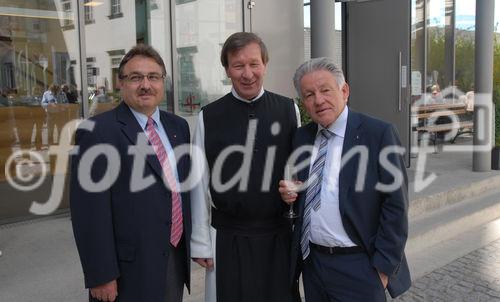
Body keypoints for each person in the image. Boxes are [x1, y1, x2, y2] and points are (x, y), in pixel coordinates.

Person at [279, 57, 411, 301]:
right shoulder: (301, 138)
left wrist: (382, 269)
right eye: (309, 95)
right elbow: (304, 194)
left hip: (360, 266)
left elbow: (396, 206)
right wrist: (291, 194)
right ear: (303, 102)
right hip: (313, 264)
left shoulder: (378, 134)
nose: (318, 100)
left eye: (325, 90)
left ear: (344, 90)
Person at [70, 44, 191, 302]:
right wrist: (101, 274)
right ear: (120, 83)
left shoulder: (178, 127)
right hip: (125, 270)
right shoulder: (96, 132)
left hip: (172, 257)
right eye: (136, 77)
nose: (145, 85)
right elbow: (89, 213)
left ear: (163, 82)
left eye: (153, 77)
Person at [190, 32, 301, 302]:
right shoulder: (208, 116)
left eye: (254, 64)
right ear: (227, 69)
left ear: (265, 64)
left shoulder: (289, 110)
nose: (247, 73)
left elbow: (297, 170)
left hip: (277, 235)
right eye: (238, 66)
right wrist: (201, 241)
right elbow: (198, 183)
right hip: (228, 237)